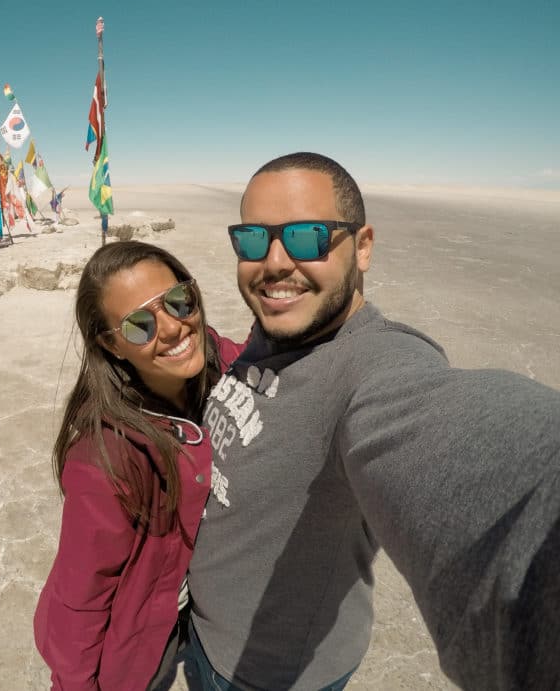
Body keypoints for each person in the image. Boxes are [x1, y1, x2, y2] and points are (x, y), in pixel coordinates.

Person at [186, 152, 560, 691]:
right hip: (202, 638)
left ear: (362, 247)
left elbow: (476, 461)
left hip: (268, 676)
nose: (272, 263)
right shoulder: (276, 330)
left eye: (306, 237)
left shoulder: (373, 369)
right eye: (251, 239)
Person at [34, 240, 243, 690]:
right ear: (111, 345)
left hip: (198, 614)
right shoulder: (105, 462)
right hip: (142, 636)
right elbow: (81, 599)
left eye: (178, 301)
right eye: (139, 325)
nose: (171, 327)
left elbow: (254, 359)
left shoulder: (208, 359)